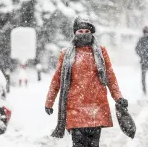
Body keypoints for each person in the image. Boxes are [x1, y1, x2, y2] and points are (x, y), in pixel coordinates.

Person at [44, 16, 128, 147]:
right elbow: (57, 80)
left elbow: (110, 77)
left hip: (97, 109)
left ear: (91, 32)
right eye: (80, 31)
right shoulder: (66, 54)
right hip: (75, 110)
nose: (83, 34)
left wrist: (118, 97)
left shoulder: (101, 52)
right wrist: (49, 102)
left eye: (87, 31)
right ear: (75, 33)